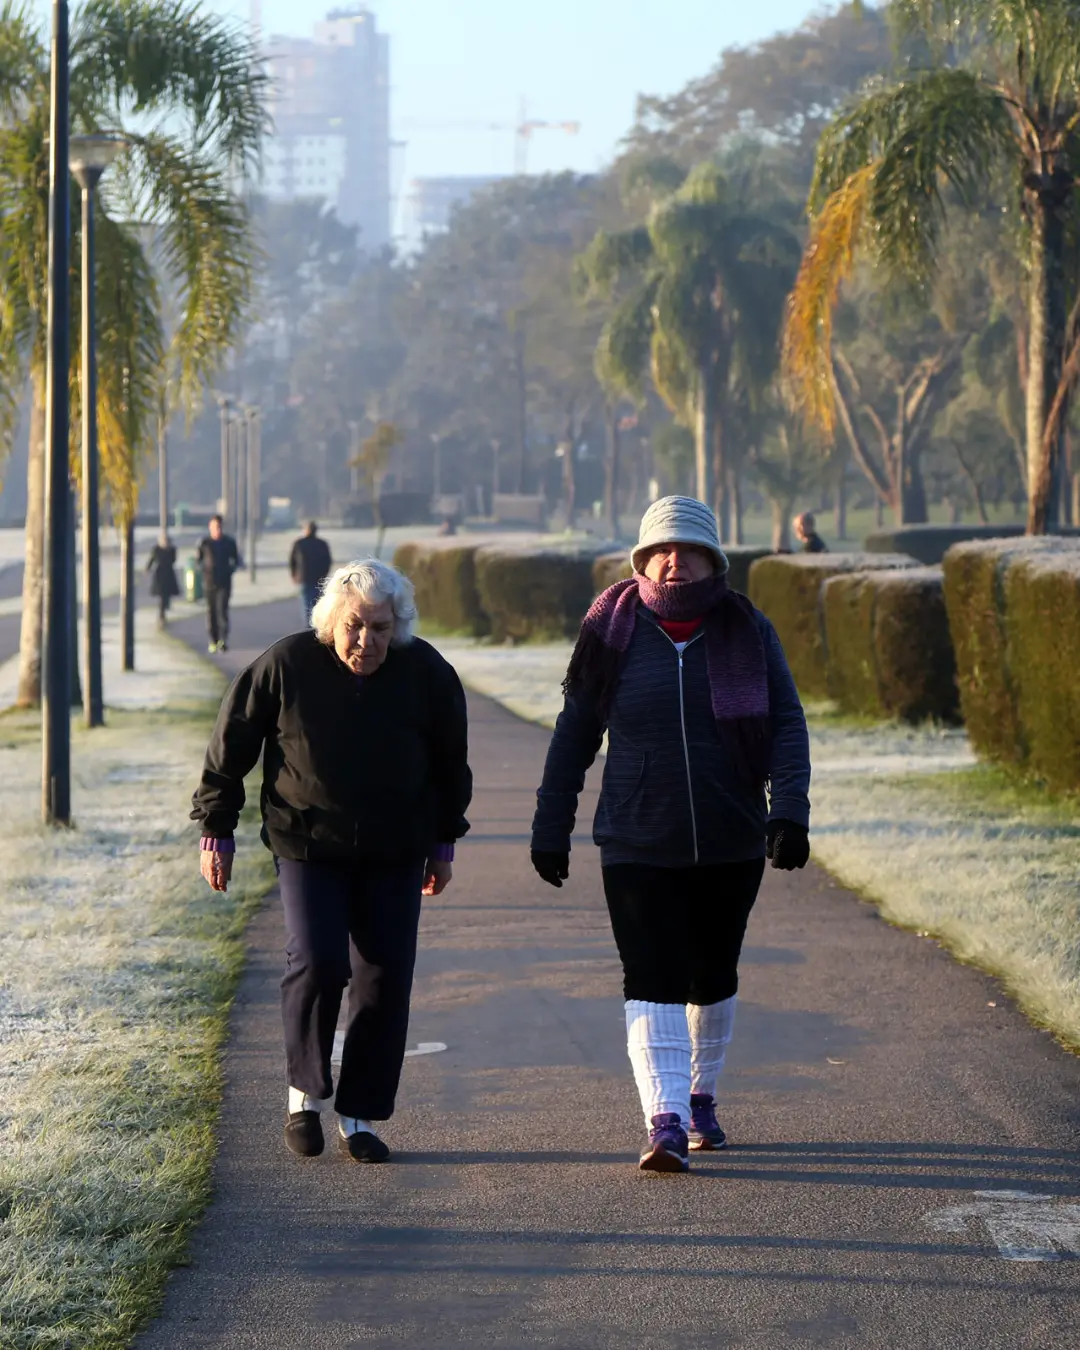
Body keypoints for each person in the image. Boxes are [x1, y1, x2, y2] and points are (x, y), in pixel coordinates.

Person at [530, 496, 811, 1173]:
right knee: (649, 976)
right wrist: (551, 822)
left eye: (689, 550)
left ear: (714, 562)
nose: (674, 561)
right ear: (643, 561)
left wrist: (789, 812)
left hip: (729, 836)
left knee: (712, 973)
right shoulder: (611, 631)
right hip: (636, 838)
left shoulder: (748, 630)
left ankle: (701, 1097)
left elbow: (786, 726)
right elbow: (575, 734)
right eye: (662, 550)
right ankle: (665, 1121)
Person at [191, 559, 472, 1164]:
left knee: (382, 978)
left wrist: (443, 842)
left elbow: (451, 763)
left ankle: (359, 1114)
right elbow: (231, 741)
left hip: (395, 850)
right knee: (318, 962)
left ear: (397, 626)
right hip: (307, 841)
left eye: (379, 627)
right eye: (354, 626)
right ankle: (304, 1095)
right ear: (330, 623)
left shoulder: (424, 671)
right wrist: (217, 827)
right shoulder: (288, 663)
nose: (366, 641)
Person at [196, 514, 240, 652]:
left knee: (222, 610)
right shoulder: (205, 543)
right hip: (209, 582)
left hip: (224, 582)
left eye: (219, 527)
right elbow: (198, 560)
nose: (217, 530)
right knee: (211, 612)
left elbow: (236, 560)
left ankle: (223, 639)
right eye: (215, 527)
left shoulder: (229, 542)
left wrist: (230, 570)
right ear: (210, 528)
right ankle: (213, 640)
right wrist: (203, 570)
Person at [289, 520, 333, 626]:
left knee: (308, 605)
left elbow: (293, 561)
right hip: (316, 578)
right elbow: (327, 561)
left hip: (306, 578)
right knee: (316, 605)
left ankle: (310, 628)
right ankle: (314, 627)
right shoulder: (321, 544)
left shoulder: (300, 544)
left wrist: (294, 575)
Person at [146, 531, 180, 629]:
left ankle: (165, 608)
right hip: (160, 574)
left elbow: (173, 560)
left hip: (168, 573)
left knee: (166, 594)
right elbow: (152, 559)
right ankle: (162, 614)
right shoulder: (156, 549)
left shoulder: (172, 549)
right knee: (161, 595)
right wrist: (147, 568)